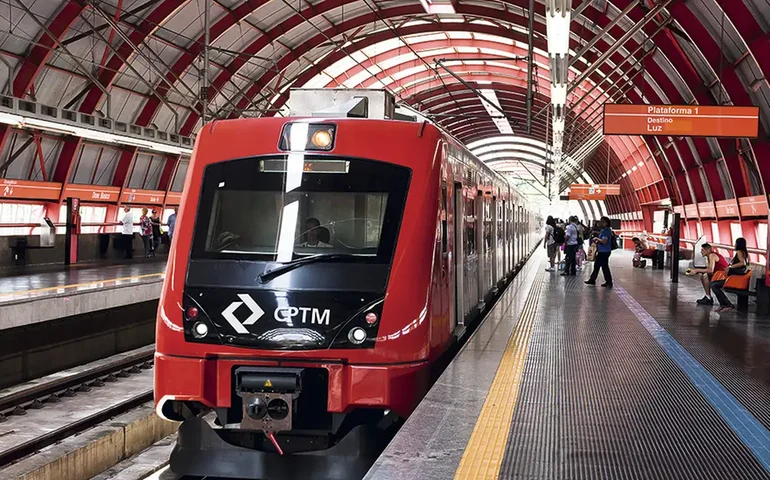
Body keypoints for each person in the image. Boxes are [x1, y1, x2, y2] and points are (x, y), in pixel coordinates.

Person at [709, 238, 749, 312]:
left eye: (735, 243)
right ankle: (723, 305)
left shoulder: (739, 252)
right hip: (735, 277)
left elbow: (742, 263)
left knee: (714, 285)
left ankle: (727, 304)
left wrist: (730, 266)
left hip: (735, 278)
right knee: (713, 284)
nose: (734, 245)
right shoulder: (744, 253)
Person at [585, 216, 614, 287]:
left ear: (607, 223)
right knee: (598, 266)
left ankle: (608, 281)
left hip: (604, 251)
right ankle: (593, 279)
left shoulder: (606, 231)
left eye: (603, 222)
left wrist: (597, 239)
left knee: (603, 266)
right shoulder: (604, 230)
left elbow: (604, 241)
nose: (601, 223)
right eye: (601, 221)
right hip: (603, 251)